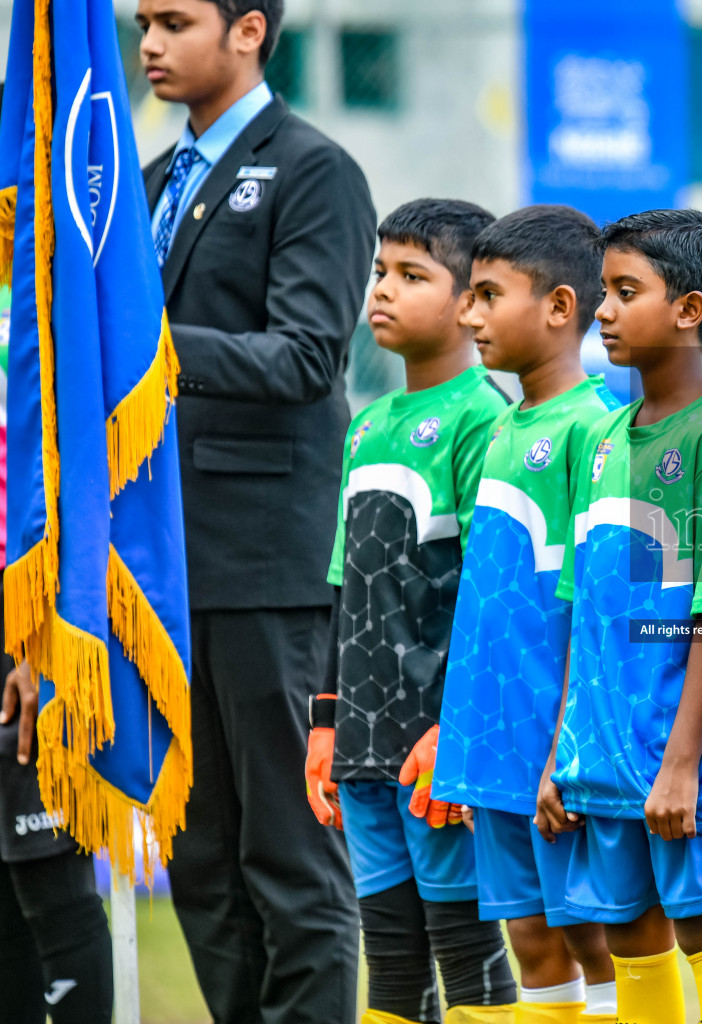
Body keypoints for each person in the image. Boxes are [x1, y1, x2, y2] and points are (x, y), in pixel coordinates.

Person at [135, 2, 375, 1019]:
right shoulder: (142, 186)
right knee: (201, 864)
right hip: (160, 566)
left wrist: (146, 341)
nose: (150, 42)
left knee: (288, 855)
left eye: (175, 19)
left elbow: (309, 355)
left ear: (249, 30)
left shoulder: (314, 168)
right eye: (142, 20)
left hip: (267, 563)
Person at [538, 210, 702, 1024]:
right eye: (604, 290)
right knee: (630, 937)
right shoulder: (599, 438)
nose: (603, 310)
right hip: (596, 756)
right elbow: (581, 610)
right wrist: (561, 752)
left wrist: (679, 763)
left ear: (689, 310)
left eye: (625, 291)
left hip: (680, 760)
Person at [304, 199, 517, 1024]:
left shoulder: (484, 420)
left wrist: (455, 731)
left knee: (464, 949)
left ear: (471, 301)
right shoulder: (367, 427)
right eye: (379, 274)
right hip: (363, 741)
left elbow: (486, 600)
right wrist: (327, 722)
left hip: (440, 750)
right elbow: (340, 591)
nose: (381, 293)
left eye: (411, 276)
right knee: (388, 956)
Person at [423, 205, 623, 1024]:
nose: (468, 315)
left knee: (595, 935)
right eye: (467, 294)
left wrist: (564, 750)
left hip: (556, 747)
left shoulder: (593, 426)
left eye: (488, 294)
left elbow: (591, 605)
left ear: (560, 307)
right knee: (531, 942)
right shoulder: (502, 426)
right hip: (494, 741)